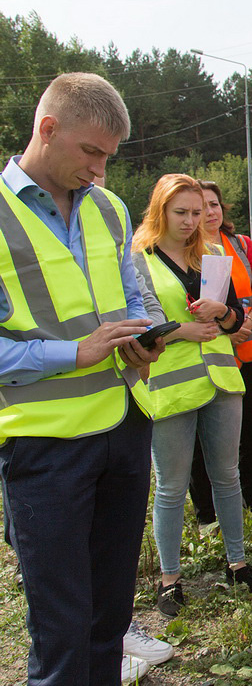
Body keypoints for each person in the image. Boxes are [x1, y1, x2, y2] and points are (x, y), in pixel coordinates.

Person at [0, 72, 164, 685]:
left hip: (125, 428)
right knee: (61, 626)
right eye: (90, 152)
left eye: (108, 157)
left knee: (108, 618)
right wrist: (73, 354)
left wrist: (140, 337)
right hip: (45, 443)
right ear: (47, 128)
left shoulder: (109, 207)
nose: (99, 169)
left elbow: (130, 294)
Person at [132, 173, 252, 619]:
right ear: (160, 211)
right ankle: (170, 579)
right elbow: (141, 326)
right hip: (171, 385)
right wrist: (182, 331)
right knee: (171, 485)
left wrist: (224, 313)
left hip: (222, 381)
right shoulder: (139, 260)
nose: (192, 221)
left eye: (197, 212)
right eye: (182, 213)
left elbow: (238, 324)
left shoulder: (214, 254)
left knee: (227, 475)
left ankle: (238, 563)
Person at [188, 180, 252, 531]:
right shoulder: (181, 250)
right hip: (206, 356)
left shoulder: (240, 245)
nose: (209, 213)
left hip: (248, 352)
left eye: (213, 205)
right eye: (199, 207)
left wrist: (245, 323)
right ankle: (208, 516)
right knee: (201, 437)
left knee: (249, 435)